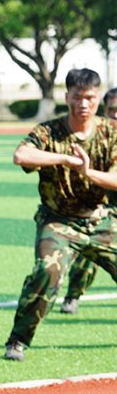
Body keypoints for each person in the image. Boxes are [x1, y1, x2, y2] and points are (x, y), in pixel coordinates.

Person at [4, 68, 117, 361]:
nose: (83, 104)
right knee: (48, 271)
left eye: (90, 98)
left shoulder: (110, 132)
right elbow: (21, 156)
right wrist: (66, 159)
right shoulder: (49, 131)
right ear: (66, 97)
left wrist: (87, 171)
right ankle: (18, 340)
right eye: (77, 97)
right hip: (59, 221)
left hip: (100, 219)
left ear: (98, 99)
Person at [58, 86, 117, 314]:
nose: (115, 115)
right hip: (102, 208)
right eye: (112, 110)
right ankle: (73, 295)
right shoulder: (96, 135)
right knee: (90, 253)